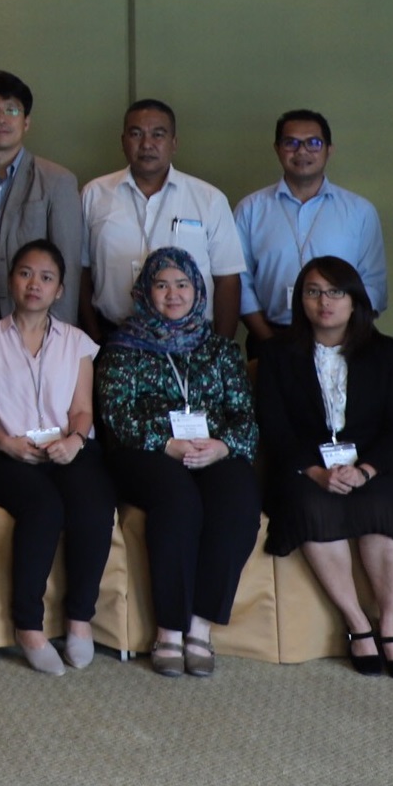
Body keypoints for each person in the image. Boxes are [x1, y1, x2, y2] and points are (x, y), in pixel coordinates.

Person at [256, 256, 393, 679]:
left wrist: (365, 470)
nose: (324, 302)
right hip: (306, 468)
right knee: (310, 506)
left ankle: (390, 625)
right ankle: (357, 623)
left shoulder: (384, 352)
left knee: (383, 506)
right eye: (313, 292)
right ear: (300, 301)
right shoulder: (277, 354)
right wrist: (317, 472)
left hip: (372, 466)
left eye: (336, 292)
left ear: (355, 301)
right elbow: (274, 428)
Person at [94, 246, 260, 678]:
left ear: (198, 290)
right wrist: (165, 443)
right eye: (162, 285)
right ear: (145, 292)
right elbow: (116, 415)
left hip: (212, 449)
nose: (173, 294)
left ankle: (200, 626)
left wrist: (222, 446)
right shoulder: (122, 347)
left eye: (182, 284)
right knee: (178, 500)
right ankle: (169, 629)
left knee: (239, 498)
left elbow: (245, 417)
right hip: (145, 453)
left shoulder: (220, 350)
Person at [0, 239, 112, 675]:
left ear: (60, 290)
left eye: (46, 278)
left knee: (93, 504)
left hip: (64, 447)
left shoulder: (78, 342)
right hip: (3, 452)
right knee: (43, 507)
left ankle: (79, 619)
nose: (35, 284)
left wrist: (75, 441)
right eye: (26, 274)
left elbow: (82, 410)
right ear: (11, 279)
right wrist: (3, 442)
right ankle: (28, 625)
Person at [80, 99, 244, 342]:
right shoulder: (94, 194)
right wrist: (93, 340)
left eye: (158, 134)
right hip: (114, 336)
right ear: (123, 141)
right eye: (136, 134)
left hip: (193, 341)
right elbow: (81, 273)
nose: (147, 144)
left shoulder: (209, 199)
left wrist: (220, 347)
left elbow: (227, 279)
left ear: (174, 143)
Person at [235, 110, 388, 357]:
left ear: (329, 149)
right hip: (271, 337)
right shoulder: (250, 209)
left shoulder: (359, 211)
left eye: (314, 143)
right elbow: (240, 283)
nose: (302, 151)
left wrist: (344, 336)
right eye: (291, 143)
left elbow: (373, 284)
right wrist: (268, 341)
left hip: (344, 342)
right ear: (277, 149)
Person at [0, 71, 85, 329]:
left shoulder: (58, 181)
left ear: (26, 122)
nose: (0, 119)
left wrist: (59, 337)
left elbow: (68, 267)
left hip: (33, 319)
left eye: (12, 110)